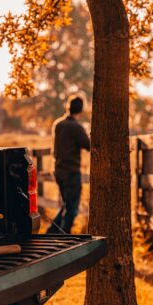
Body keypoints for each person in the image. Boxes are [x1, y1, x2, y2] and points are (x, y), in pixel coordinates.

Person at [47, 95, 90, 233]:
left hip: (58, 170)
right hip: (71, 171)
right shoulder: (76, 127)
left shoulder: (58, 124)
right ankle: (64, 238)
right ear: (81, 110)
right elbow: (88, 145)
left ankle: (50, 233)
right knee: (72, 209)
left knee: (67, 206)